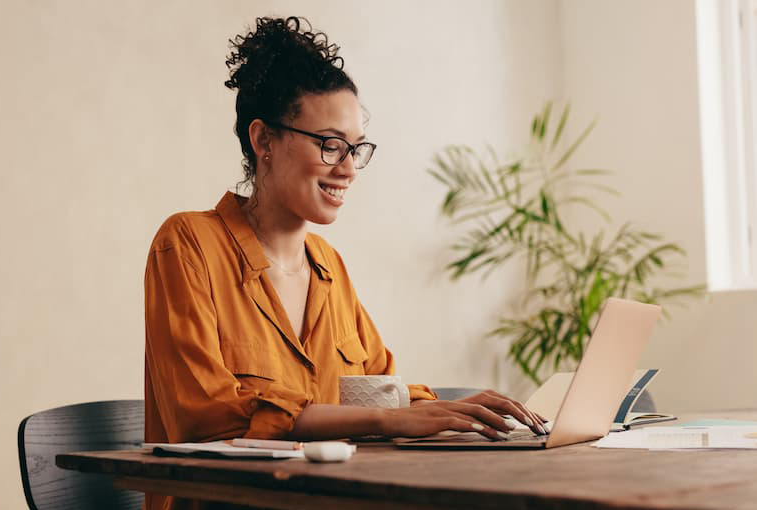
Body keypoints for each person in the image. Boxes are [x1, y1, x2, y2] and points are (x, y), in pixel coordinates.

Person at [143, 16, 546, 510]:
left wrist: (448, 409)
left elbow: (380, 390)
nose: (349, 168)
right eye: (330, 145)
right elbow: (208, 417)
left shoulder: (327, 266)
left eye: (356, 149)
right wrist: (384, 421)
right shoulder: (188, 244)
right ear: (263, 140)